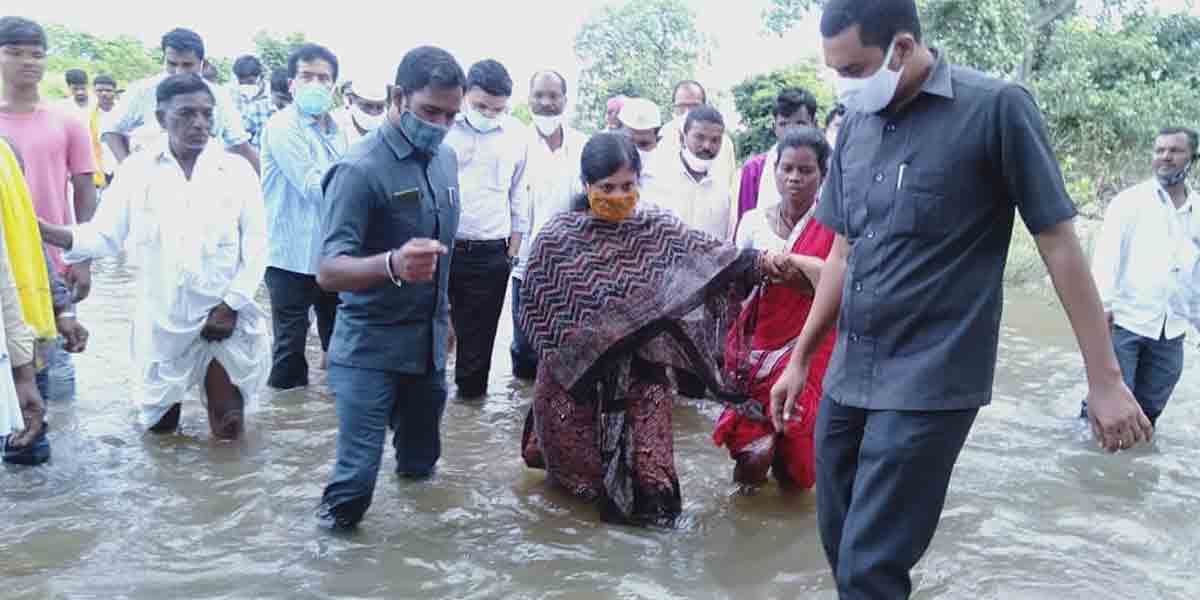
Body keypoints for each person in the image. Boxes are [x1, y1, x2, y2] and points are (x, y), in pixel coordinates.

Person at [768, 2, 1153, 597]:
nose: (842, 84)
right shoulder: (857, 126)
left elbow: (1058, 245)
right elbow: (843, 253)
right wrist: (799, 359)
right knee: (841, 546)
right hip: (851, 371)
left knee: (872, 567)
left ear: (900, 48)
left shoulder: (995, 109)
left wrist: (1103, 378)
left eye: (853, 69)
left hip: (932, 376)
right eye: (834, 71)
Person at [519, 132, 787, 525]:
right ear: (586, 186)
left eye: (628, 186)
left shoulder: (656, 228)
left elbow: (712, 258)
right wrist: (590, 342)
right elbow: (537, 310)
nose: (618, 195)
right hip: (572, 384)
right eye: (607, 187)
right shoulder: (557, 239)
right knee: (579, 495)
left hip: (643, 378)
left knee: (654, 489)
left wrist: (766, 263)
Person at [39, 73, 270, 439]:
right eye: (186, 114)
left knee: (229, 425)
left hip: (224, 315)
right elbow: (104, 237)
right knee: (161, 430)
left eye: (207, 114)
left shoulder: (236, 171)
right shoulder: (137, 171)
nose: (199, 123)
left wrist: (231, 305)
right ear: (161, 119)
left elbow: (257, 246)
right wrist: (48, 231)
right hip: (163, 317)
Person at [314, 46, 464, 530]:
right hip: (369, 349)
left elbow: (445, 254)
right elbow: (328, 271)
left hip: (427, 349)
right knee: (355, 484)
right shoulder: (358, 170)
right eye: (430, 111)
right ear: (398, 97)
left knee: (421, 469)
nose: (440, 124)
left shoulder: (446, 162)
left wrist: (448, 319)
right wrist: (393, 263)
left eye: (450, 115)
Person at [714, 128, 834, 489]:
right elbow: (733, 281)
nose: (794, 178)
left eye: (806, 170)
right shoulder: (753, 222)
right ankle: (743, 521)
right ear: (775, 171)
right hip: (755, 349)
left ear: (823, 174)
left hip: (810, 350)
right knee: (754, 452)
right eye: (787, 169)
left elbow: (839, 283)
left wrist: (791, 264)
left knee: (795, 461)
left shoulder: (835, 228)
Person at [0, 17, 98, 402]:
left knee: (55, 373)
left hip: (54, 265)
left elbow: (85, 192)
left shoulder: (67, 121)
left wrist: (84, 257)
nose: (28, 62)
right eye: (14, 52)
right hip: (4, 263)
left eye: (37, 55)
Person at [1083, 127, 1200, 428]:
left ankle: (1130, 467)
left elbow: (1196, 275)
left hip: (1171, 331)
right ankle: (1086, 461)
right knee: (1109, 409)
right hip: (1125, 324)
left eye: (1175, 151)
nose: (1165, 157)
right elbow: (1106, 259)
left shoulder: (1197, 211)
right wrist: (1102, 311)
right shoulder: (1130, 202)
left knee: (1149, 413)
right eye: (1159, 150)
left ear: (1193, 158)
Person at [260, 43, 347, 391]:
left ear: (333, 86)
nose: (315, 83)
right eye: (306, 76)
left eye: (323, 78)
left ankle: (330, 423)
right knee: (290, 349)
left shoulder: (338, 129)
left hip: (332, 254)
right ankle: (287, 428)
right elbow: (315, 186)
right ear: (291, 83)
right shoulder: (283, 126)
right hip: (289, 255)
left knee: (339, 343)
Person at [443, 59, 528, 400]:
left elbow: (519, 194)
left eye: (497, 109)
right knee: (429, 341)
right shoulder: (443, 127)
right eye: (480, 106)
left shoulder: (516, 136)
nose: (488, 114)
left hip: (491, 253)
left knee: (477, 352)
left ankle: (469, 422)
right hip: (441, 250)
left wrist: (512, 252)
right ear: (464, 95)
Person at [510, 69, 584, 381]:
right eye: (539, 95)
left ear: (565, 100)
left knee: (568, 345)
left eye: (554, 96)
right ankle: (520, 412)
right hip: (526, 263)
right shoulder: (514, 142)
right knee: (525, 347)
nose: (546, 103)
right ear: (528, 100)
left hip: (571, 264)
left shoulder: (582, 145)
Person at [102, 28, 259, 173]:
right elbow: (111, 131)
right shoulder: (142, 91)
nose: (179, 71)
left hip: (204, 183)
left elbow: (240, 146)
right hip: (152, 185)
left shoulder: (219, 96)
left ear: (202, 63)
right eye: (172, 64)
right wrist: (130, 172)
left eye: (187, 65)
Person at [642, 105, 733, 241]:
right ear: (681, 138)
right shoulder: (654, 179)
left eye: (715, 140)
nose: (707, 146)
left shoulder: (724, 189)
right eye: (699, 137)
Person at [734, 88, 819, 223]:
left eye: (800, 123)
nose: (791, 131)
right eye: (783, 124)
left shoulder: (828, 167)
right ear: (775, 127)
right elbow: (745, 226)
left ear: (814, 124)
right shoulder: (754, 170)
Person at [658, 80, 737, 193]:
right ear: (674, 108)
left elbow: (730, 183)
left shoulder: (724, 142)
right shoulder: (663, 136)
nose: (687, 112)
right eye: (681, 107)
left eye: (694, 106)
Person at [231, 55, 276, 149]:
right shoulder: (232, 94)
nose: (245, 86)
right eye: (241, 83)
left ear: (260, 77)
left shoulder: (272, 95)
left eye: (250, 82)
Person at [89, 74, 118, 187]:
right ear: (94, 92)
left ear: (115, 92)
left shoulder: (124, 112)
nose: (104, 93)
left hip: (121, 166)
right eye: (100, 90)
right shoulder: (87, 115)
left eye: (108, 90)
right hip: (99, 169)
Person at [339, 78, 388, 143]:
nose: (374, 112)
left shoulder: (389, 133)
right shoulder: (338, 128)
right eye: (367, 106)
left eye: (379, 107)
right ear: (351, 100)